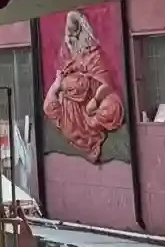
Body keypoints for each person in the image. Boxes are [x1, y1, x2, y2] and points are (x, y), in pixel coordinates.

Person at [42, 10, 125, 162]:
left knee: (112, 107)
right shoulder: (67, 54)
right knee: (51, 105)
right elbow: (63, 76)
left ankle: (91, 125)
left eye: (73, 34)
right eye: (68, 35)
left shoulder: (95, 55)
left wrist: (96, 101)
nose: (69, 39)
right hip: (72, 105)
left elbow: (106, 84)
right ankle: (81, 128)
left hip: (94, 100)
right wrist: (59, 83)